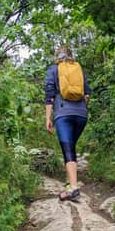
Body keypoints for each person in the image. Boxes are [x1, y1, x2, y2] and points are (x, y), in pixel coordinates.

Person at [44, 46, 91, 201]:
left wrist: (48, 118)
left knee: (67, 149)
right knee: (70, 147)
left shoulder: (53, 69)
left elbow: (49, 95)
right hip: (81, 115)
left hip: (63, 113)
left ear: (57, 56)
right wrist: (82, 108)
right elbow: (87, 94)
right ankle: (70, 182)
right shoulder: (78, 69)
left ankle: (74, 188)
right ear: (71, 56)